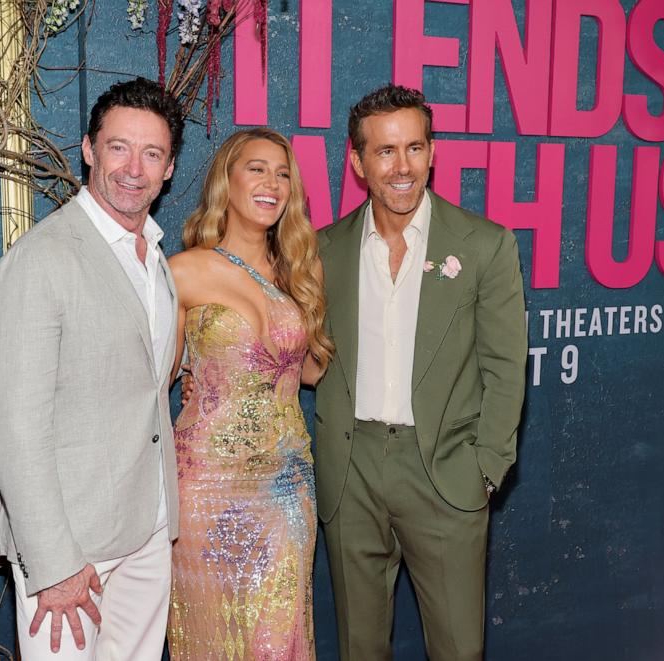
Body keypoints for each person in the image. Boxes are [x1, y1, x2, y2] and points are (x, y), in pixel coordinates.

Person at [314, 84, 527, 660]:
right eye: (384, 152)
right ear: (358, 162)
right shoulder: (323, 249)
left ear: (433, 152)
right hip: (351, 472)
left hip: (445, 472)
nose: (402, 166)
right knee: (359, 647)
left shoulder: (484, 245)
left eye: (414, 147)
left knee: (458, 648)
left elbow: (507, 367)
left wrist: (486, 468)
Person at [0, 77, 185, 660]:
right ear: (89, 149)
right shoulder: (40, 261)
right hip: (72, 547)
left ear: (169, 169)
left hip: (147, 529)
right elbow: (14, 429)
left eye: (153, 154)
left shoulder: (154, 257)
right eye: (119, 147)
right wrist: (54, 563)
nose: (133, 168)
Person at [166, 128, 333, 660]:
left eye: (283, 174)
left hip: (285, 486)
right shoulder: (183, 270)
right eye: (257, 168)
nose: (272, 183)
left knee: (275, 641)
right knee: (210, 635)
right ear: (227, 180)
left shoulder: (299, 272)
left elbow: (310, 372)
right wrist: (199, 369)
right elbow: (155, 378)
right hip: (205, 486)